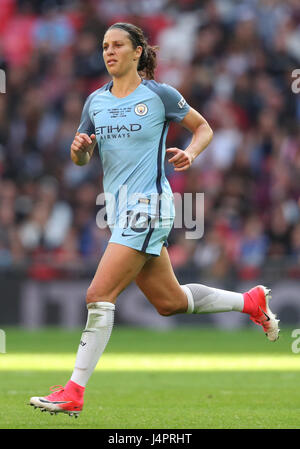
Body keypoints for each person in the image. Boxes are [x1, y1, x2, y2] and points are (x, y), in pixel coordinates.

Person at [29, 23, 280, 417]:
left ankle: (74, 391)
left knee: (98, 295)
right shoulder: (95, 102)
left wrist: (191, 154)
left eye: (117, 46)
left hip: (149, 207)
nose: (109, 52)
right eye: (104, 46)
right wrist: (79, 150)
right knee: (170, 302)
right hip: (118, 210)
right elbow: (81, 157)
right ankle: (249, 301)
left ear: (137, 52)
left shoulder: (159, 95)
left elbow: (203, 128)